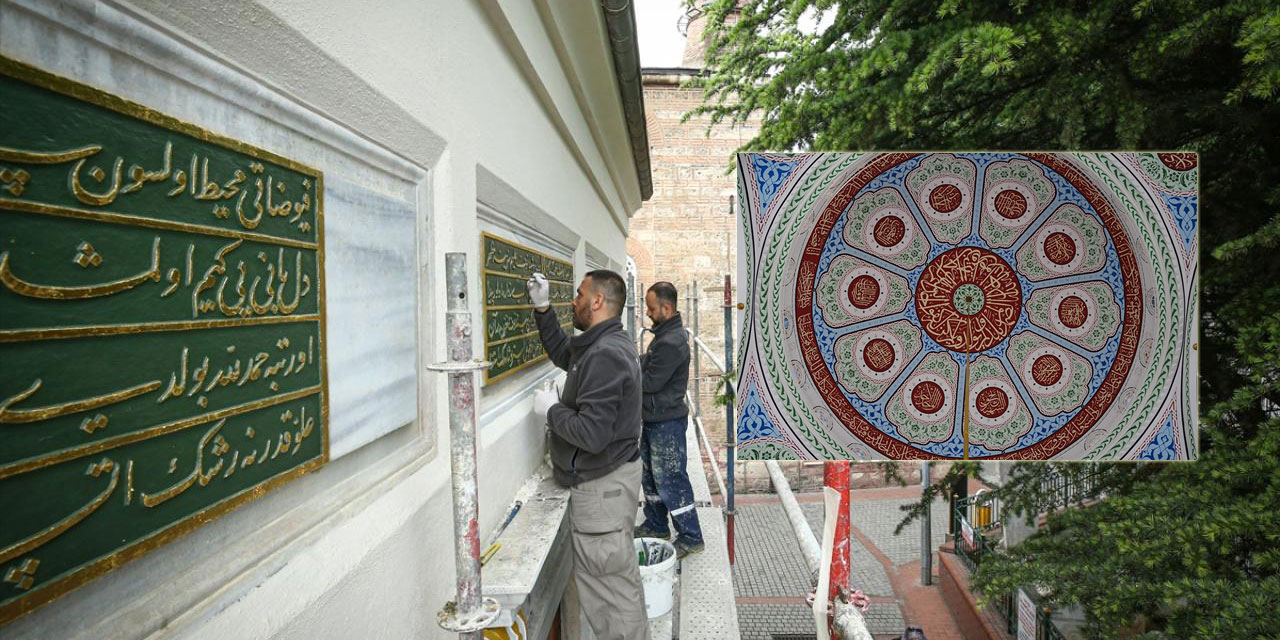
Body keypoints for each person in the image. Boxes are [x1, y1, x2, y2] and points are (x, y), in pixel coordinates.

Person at [527, 269, 649, 640]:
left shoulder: (606, 354)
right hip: (608, 485)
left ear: (597, 301)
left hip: (602, 493)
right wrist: (543, 309)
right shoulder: (603, 344)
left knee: (611, 599)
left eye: (579, 294)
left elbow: (592, 435)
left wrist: (552, 410)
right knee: (614, 586)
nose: (574, 300)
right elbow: (567, 354)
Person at [632, 282, 704, 558]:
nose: (648, 313)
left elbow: (651, 381)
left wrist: (625, 371)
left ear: (666, 307)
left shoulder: (671, 342)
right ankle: (656, 525)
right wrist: (636, 361)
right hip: (654, 418)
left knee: (671, 479)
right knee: (650, 475)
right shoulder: (664, 336)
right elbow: (648, 364)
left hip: (667, 423)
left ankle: (691, 536)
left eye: (651, 308)